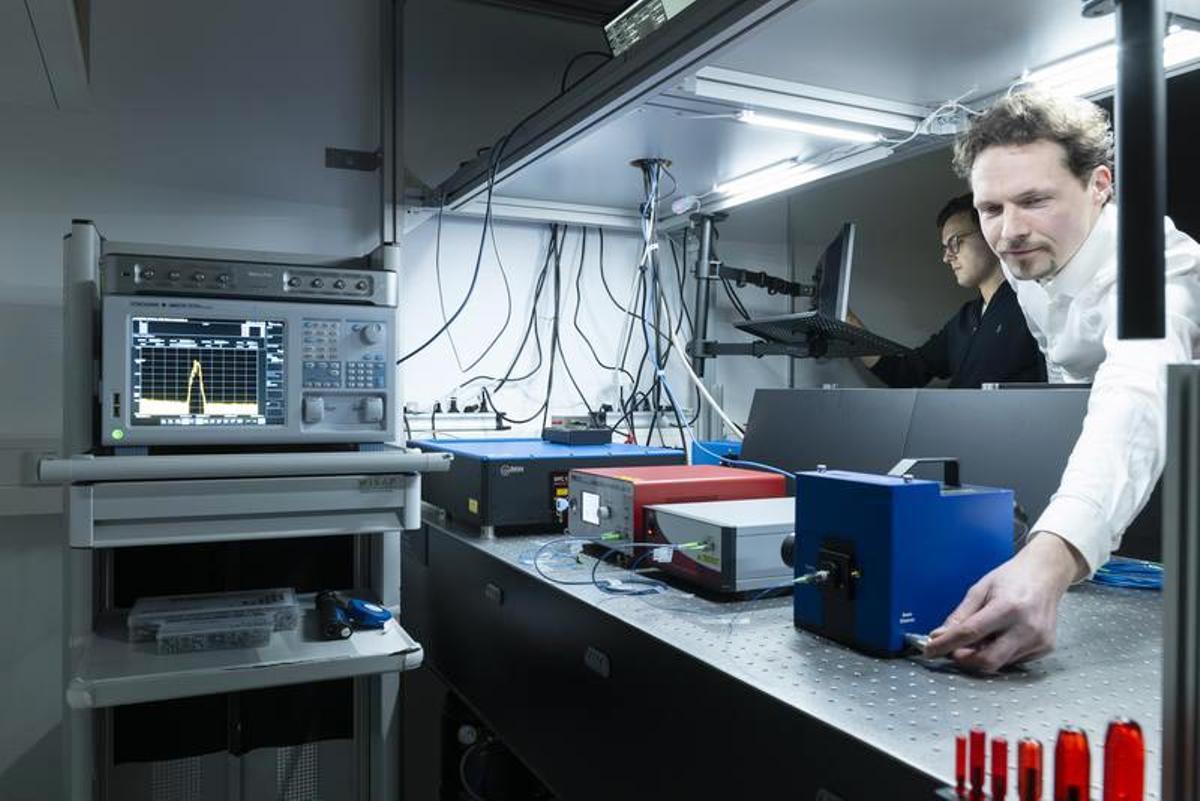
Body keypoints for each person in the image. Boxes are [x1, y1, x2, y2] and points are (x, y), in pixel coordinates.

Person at [923, 90, 1200, 672]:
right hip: (1133, 509)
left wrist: (1051, 559)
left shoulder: (1157, 270)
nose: (1010, 232)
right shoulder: (1029, 265)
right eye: (991, 210)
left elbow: (1136, 397)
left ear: (1100, 184)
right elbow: (1069, 389)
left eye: (1034, 200)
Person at [858, 193, 1046, 388]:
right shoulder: (965, 320)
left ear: (990, 233)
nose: (947, 257)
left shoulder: (1031, 303)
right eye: (945, 248)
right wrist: (849, 327)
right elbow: (906, 372)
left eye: (955, 242)